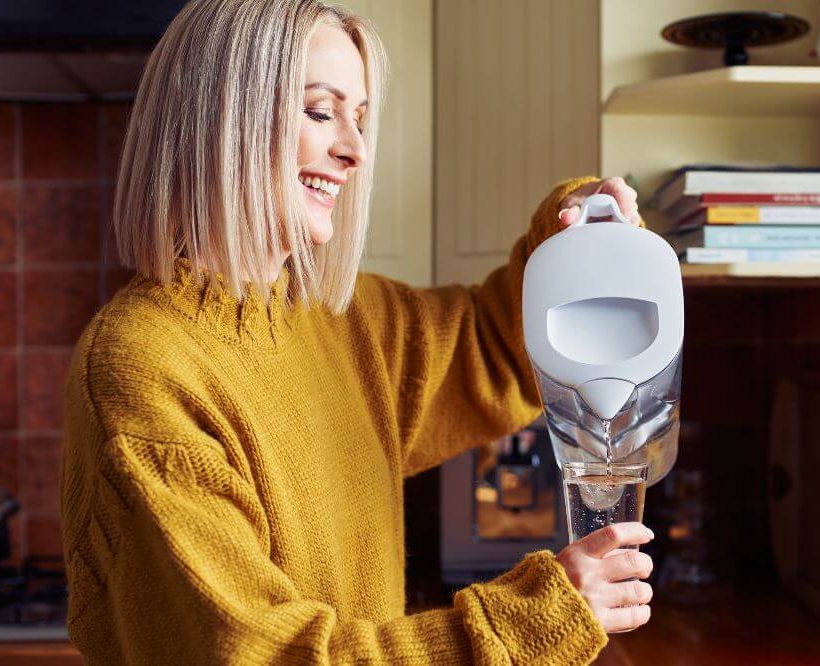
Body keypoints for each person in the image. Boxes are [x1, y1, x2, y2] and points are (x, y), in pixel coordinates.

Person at [60, 1, 654, 663]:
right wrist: (524, 622)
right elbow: (261, 655)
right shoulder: (144, 365)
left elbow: (500, 345)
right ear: (219, 119)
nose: (354, 150)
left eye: (360, 119)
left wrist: (571, 234)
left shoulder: (347, 321)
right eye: (320, 112)